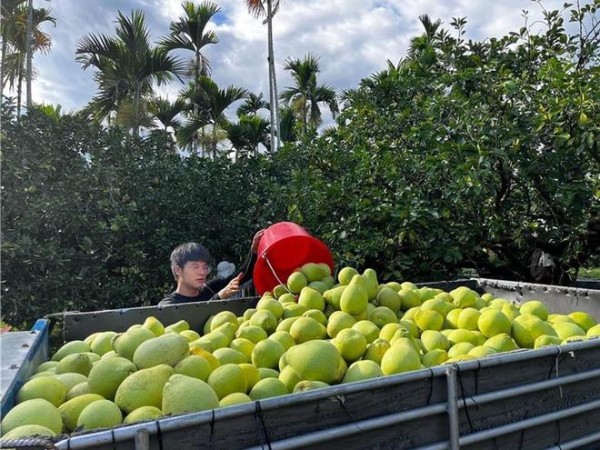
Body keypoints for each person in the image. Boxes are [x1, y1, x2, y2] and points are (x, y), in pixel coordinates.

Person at [159, 229, 264, 306]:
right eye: (195, 267)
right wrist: (219, 297)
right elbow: (192, 320)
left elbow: (243, 275)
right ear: (178, 270)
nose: (202, 272)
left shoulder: (209, 289)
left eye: (205, 267)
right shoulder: (168, 305)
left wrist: (254, 252)